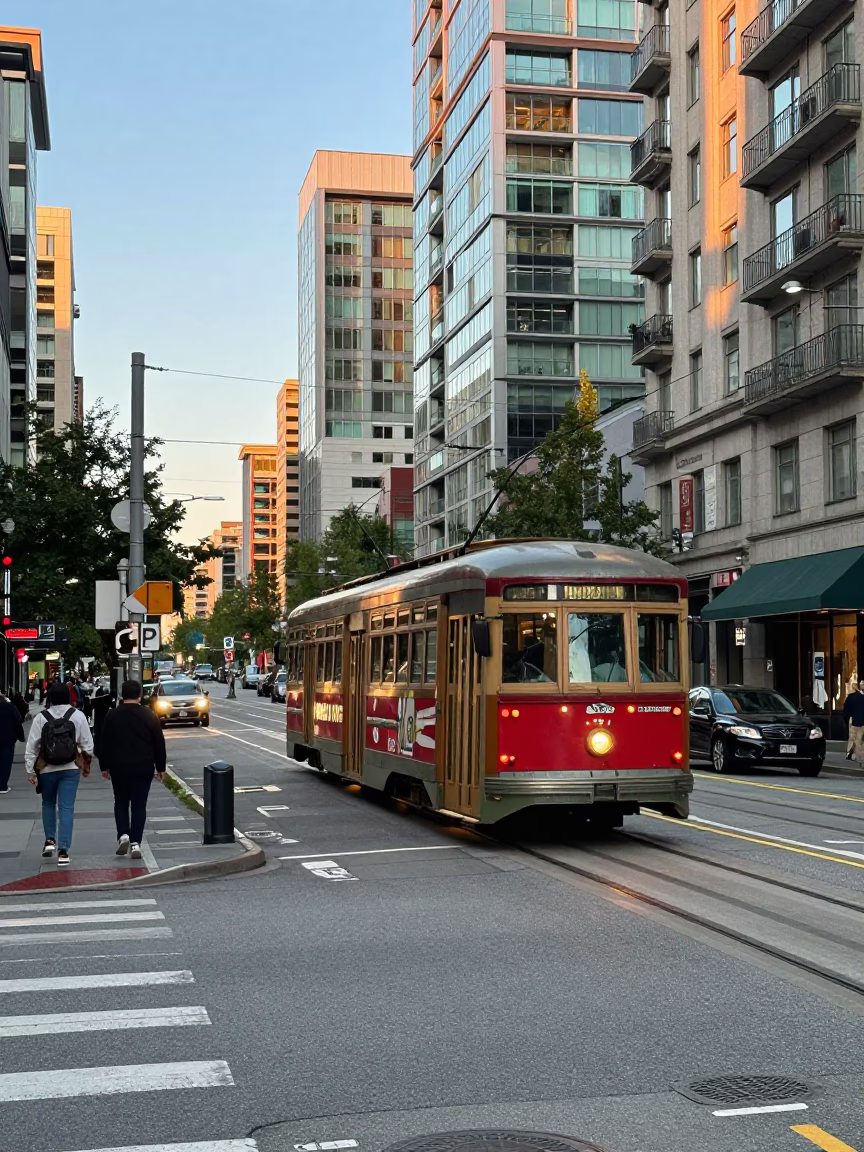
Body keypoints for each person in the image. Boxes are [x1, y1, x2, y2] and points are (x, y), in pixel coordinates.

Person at [24, 682, 94, 866]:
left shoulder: (41, 717)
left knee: (48, 803)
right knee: (66, 808)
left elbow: (32, 746)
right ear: (69, 696)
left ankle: (49, 840)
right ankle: (63, 851)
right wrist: (86, 764)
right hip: (70, 769)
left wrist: (30, 770)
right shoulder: (77, 716)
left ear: (50, 698)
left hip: (46, 769)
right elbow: (88, 745)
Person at [97, 679, 166, 859]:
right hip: (143, 766)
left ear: (122, 695)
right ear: (140, 695)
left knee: (120, 802)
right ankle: (136, 842)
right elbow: (159, 742)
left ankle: (123, 835)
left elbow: (103, 742)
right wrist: (160, 767)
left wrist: (104, 765)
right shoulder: (149, 715)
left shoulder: (112, 715)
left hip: (119, 767)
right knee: (139, 805)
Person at [0, 691, 25, 794]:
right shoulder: (10, 707)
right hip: (8, 739)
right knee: (6, 762)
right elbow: (17, 721)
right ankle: (2, 786)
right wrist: (21, 737)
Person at [843, 679, 864, 763]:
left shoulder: (851, 697)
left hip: (854, 720)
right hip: (857, 721)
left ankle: (851, 754)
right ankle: (855, 755)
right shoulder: (852, 697)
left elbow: (846, 710)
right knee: (858, 739)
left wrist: (847, 718)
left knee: (854, 738)